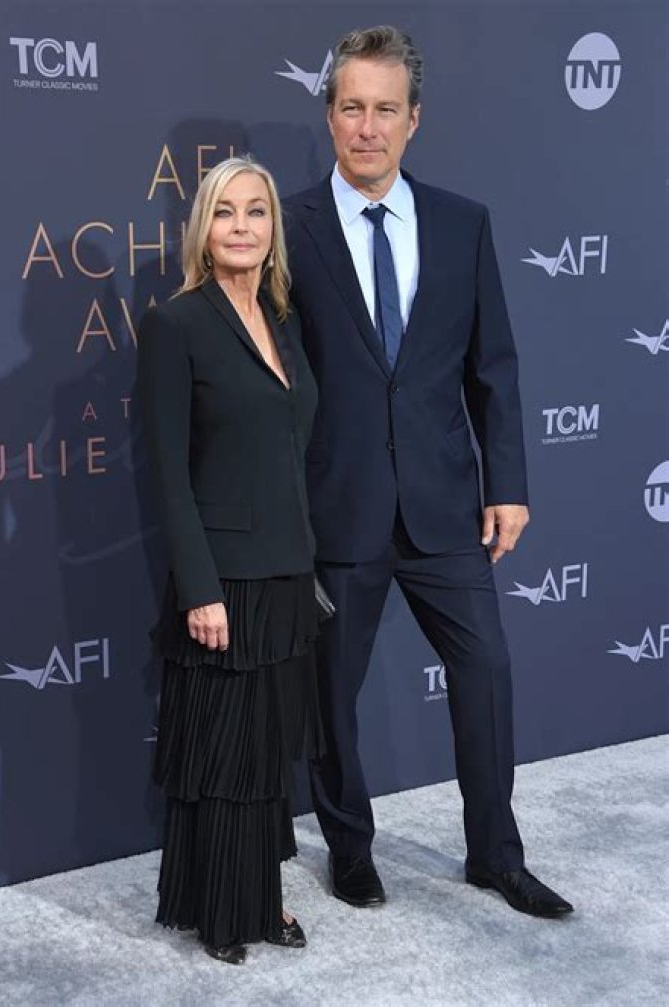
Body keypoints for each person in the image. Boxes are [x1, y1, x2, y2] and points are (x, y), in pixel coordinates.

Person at [283, 26, 573, 919]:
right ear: (330, 116)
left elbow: (495, 366)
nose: (367, 127)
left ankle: (495, 854)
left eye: (385, 109)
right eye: (351, 107)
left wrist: (507, 483)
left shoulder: (462, 222)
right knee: (331, 695)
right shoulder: (286, 227)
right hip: (337, 505)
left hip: (445, 503)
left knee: (485, 676)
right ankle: (351, 850)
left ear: (415, 120)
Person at [137, 156, 322, 964]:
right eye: (224, 211)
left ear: (273, 227)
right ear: (202, 229)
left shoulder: (284, 320)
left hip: (288, 570)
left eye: (256, 211)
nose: (242, 226)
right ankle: (221, 910)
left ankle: (262, 895)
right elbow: (168, 472)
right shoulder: (178, 324)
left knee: (265, 754)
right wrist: (199, 588)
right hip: (224, 579)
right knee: (222, 754)